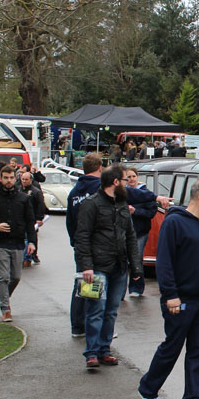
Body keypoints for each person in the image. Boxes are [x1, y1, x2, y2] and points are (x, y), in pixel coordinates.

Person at [137, 179, 199, 399]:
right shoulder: (174, 223)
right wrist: (171, 296)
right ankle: (148, 389)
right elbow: (164, 263)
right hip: (181, 300)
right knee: (172, 347)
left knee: (198, 350)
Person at [74, 165, 144, 368]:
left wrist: (136, 267)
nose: (128, 184)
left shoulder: (122, 203)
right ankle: (92, 352)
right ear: (115, 182)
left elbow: (130, 236)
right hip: (95, 268)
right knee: (95, 309)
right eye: (124, 180)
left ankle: (105, 349)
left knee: (112, 310)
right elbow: (82, 237)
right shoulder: (91, 204)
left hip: (119, 266)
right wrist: (85, 266)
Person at [0, 164, 37, 322]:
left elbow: (29, 221)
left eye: (11, 178)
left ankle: (5, 296)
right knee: (4, 277)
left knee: (16, 277)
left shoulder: (23, 198)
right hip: (0, 243)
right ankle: (5, 308)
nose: (8, 181)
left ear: (16, 178)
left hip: (18, 242)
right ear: (0, 178)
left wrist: (32, 241)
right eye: (5, 178)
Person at [66, 153, 103, 339]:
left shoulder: (75, 191)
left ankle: (77, 326)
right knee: (94, 286)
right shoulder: (101, 189)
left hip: (80, 244)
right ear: (100, 168)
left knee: (81, 284)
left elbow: (69, 220)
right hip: (97, 245)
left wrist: (75, 241)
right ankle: (92, 327)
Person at [123, 166, 169, 296]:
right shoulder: (122, 193)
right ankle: (120, 292)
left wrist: (135, 211)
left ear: (138, 177)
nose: (131, 179)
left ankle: (136, 288)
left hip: (140, 232)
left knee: (136, 260)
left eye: (133, 176)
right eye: (128, 177)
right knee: (123, 260)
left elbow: (151, 212)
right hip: (124, 232)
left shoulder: (146, 193)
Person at [19, 169, 47, 266]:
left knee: (31, 238)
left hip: (32, 219)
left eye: (26, 179)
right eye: (22, 179)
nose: (24, 181)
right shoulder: (18, 189)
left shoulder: (36, 192)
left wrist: (39, 218)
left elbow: (41, 205)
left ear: (31, 180)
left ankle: (30, 256)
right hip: (20, 219)